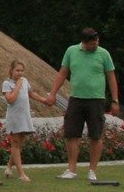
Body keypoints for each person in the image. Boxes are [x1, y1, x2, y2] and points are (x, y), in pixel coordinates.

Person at [46, 27, 119, 181]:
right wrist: (53, 93)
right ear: (84, 42)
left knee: (95, 135)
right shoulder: (71, 51)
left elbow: (111, 77)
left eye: (97, 41)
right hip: (76, 99)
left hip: (96, 100)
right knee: (71, 134)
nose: (96, 45)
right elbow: (63, 73)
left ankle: (92, 170)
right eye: (93, 43)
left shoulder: (103, 54)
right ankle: (71, 169)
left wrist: (115, 100)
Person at [0, 59, 36, 181]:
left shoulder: (25, 81)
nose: (20, 73)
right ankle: (21, 174)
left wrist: (44, 100)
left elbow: (31, 94)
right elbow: (11, 99)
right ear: (11, 70)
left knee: (19, 144)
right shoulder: (7, 83)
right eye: (17, 70)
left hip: (24, 115)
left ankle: (9, 167)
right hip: (14, 116)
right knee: (15, 143)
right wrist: (18, 86)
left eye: (22, 71)